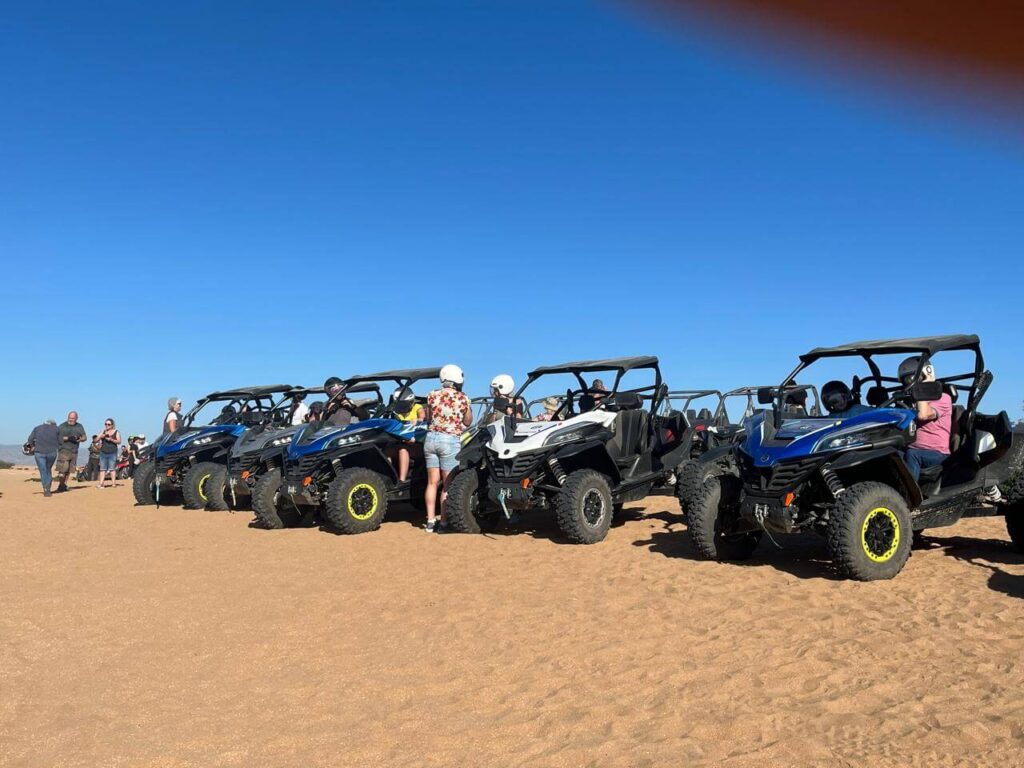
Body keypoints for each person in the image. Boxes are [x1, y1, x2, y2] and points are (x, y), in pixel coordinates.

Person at [422, 364, 472, 532]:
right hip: (449, 440)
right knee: (448, 485)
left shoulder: (431, 395)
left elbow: (427, 417)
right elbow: (468, 421)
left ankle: (430, 521)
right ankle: (443, 522)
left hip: (430, 439)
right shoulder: (462, 398)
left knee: (431, 482)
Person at [898, 357, 953, 482]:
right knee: (888, 453)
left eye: (915, 378)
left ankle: (909, 498)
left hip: (937, 453)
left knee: (913, 455)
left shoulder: (943, 398)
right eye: (908, 380)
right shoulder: (910, 401)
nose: (911, 383)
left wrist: (924, 387)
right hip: (911, 448)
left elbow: (923, 415)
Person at [391, 387, 424, 483]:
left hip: (415, 443)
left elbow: (422, 416)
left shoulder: (417, 407)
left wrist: (417, 420)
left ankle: (401, 480)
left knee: (403, 450)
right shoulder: (396, 412)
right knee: (386, 451)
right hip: (400, 440)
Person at [25, 419, 61, 497]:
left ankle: (46, 489)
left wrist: (32, 447)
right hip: (52, 452)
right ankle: (48, 488)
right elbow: (61, 442)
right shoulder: (57, 429)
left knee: (43, 470)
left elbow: (30, 439)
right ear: (53, 424)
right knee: (48, 469)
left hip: (39, 452)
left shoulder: (37, 428)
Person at [55, 411, 87, 492]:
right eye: (69, 418)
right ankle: (61, 484)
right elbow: (57, 437)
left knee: (69, 470)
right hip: (64, 450)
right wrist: (69, 438)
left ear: (76, 418)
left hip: (74, 451)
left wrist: (79, 439)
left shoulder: (79, 426)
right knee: (62, 470)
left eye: (73, 418)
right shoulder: (62, 426)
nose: (71, 420)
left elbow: (84, 437)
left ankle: (63, 485)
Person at [94, 418, 122, 488]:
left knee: (112, 468)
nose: (107, 426)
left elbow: (119, 441)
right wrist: (101, 436)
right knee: (102, 469)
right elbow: (96, 440)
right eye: (105, 424)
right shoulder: (103, 431)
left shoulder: (116, 432)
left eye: (108, 424)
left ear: (112, 425)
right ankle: (101, 484)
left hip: (112, 452)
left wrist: (111, 439)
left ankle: (113, 484)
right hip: (103, 452)